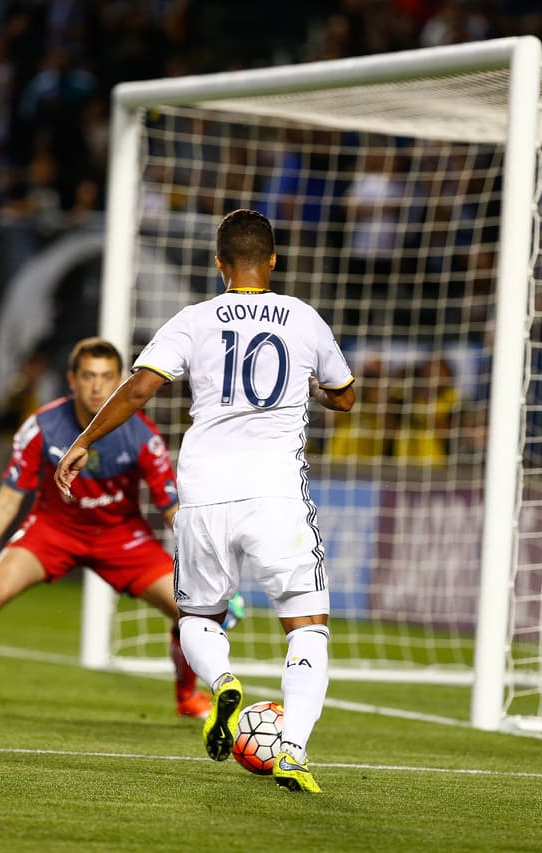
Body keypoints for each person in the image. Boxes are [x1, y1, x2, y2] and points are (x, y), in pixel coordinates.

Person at [55, 210, 356, 793]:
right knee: (307, 625)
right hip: (276, 496)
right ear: (272, 261)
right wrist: (314, 385)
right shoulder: (303, 317)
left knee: (199, 616)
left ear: (219, 264)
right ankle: (291, 748)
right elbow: (345, 398)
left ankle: (221, 684)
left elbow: (140, 388)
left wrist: (85, 441)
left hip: (204, 494)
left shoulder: (194, 319)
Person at [0, 337, 216, 718]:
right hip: (54, 529)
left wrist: (205, 568)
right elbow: (8, 499)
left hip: (121, 535)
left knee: (188, 608)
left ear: (121, 381)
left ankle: (187, 698)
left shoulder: (142, 436)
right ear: (72, 380)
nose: (97, 387)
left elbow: (172, 510)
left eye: (107, 377)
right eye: (88, 376)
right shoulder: (41, 426)